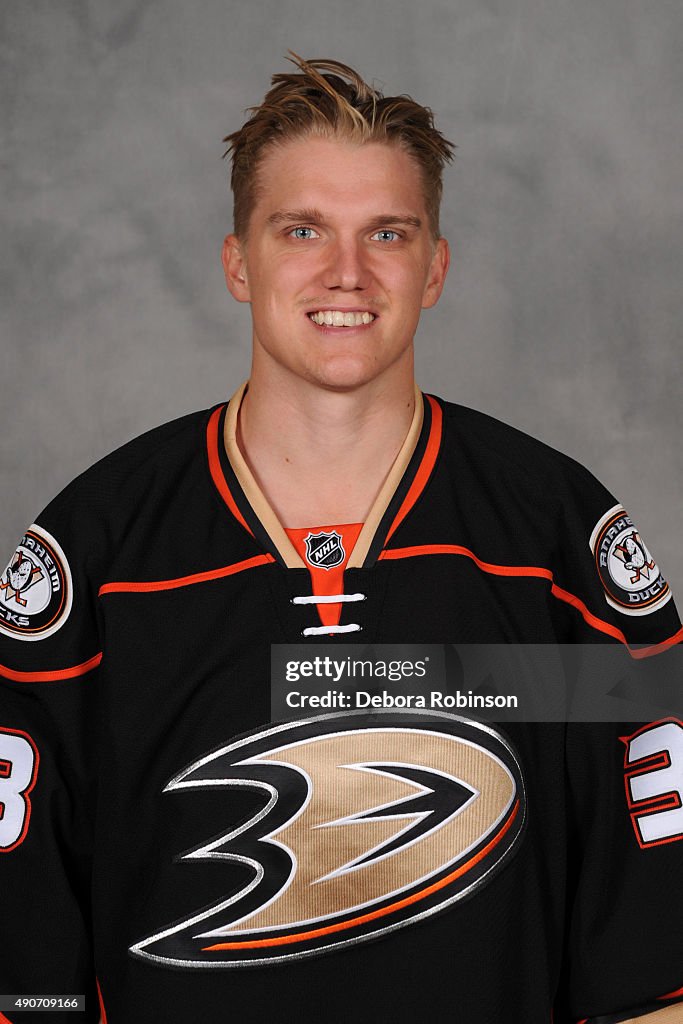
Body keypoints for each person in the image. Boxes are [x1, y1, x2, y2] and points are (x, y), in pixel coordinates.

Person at [0, 55, 681, 1024]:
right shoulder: (101, 544)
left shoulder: (552, 534)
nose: (345, 273)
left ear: (434, 266)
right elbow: (22, 910)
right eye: (302, 229)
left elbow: (649, 891)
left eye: (387, 234)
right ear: (238, 261)